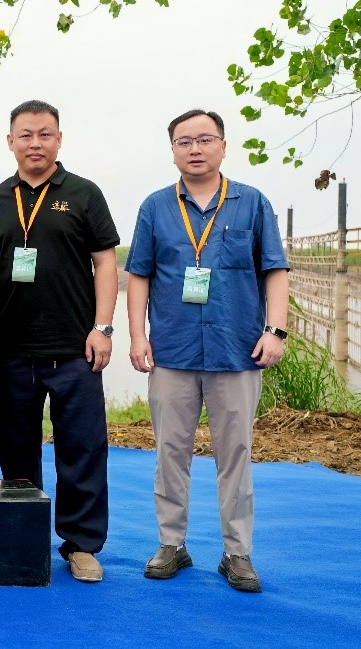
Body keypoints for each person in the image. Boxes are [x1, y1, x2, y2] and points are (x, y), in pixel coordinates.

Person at [125, 108, 289, 594]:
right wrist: (138, 336)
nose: (194, 149)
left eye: (204, 139)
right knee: (169, 452)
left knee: (235, 453)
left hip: (236, 350)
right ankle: (170, 544)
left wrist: (275, 331)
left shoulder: (251, 203)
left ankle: (237, 552)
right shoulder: (156, 206)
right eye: (184, 141)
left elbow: (275, 270)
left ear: (223, 145)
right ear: (172, 150)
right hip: (172, 350)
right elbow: (139, 275)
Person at [0, 100, 119, 583]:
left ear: (59, 139)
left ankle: (81, 545)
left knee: (82, 450)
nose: (35, 143)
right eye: (26, 135)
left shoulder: (84, 194)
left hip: (75, 350)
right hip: (10, 350)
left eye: (45, 134)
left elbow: (106, 263)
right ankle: (22, 539)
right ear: (10, 141)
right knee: (16, 453)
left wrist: (103, 327)